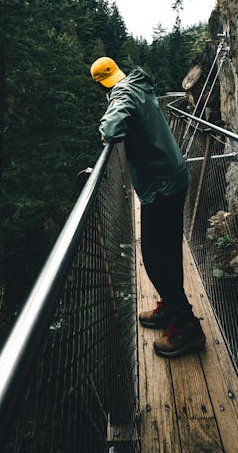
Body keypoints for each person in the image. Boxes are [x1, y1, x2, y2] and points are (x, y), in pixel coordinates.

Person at [90, 56, 205, 359]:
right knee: (167, 250)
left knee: (154, 258)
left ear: (102, 83)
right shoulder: (138, 86)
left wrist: (107, 119)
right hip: (171, 177)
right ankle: (171, 307)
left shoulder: (123, 93)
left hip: (161, 186)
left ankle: (188, 326)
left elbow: (112, 129)